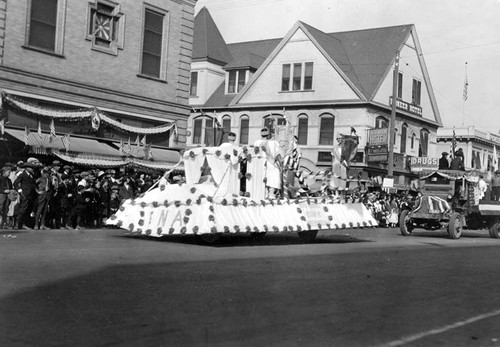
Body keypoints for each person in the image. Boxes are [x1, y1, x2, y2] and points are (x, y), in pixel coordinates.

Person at [14, 162, 38, 230]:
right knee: (23, 209)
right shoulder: (22, 175)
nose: (31, 169)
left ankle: (23, 224)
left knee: (28, 210)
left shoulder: (31, 175)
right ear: (26, 168)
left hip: (31, 195)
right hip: (24, 194)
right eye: (30, 168)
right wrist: (20, 190)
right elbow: (15, 183)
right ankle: (17, 224)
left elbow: (33, 184)